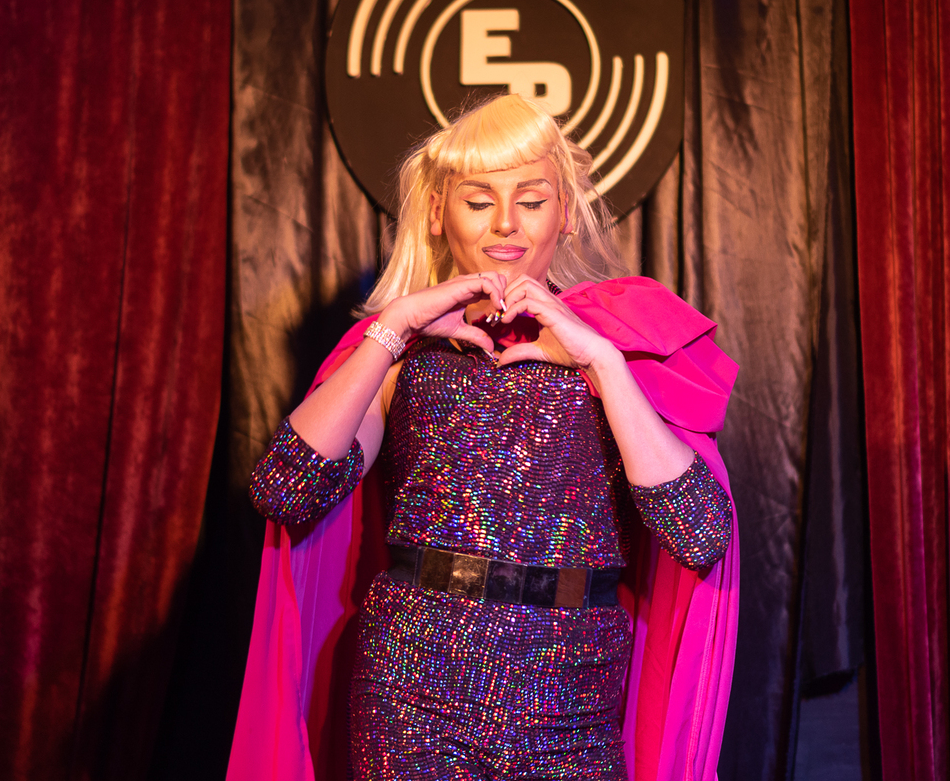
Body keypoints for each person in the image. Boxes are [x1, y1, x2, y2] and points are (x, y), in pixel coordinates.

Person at [226, 94, 740, 781]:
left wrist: (604, 363)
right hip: (410, 696)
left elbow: (701, 534)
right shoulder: (399, 357)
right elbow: (284, 491)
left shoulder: (619, 352)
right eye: (479, 200)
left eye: (531, 199)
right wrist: (393, 327)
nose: (505, 222)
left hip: (570, 702)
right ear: (439, 210)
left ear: (564, 211)